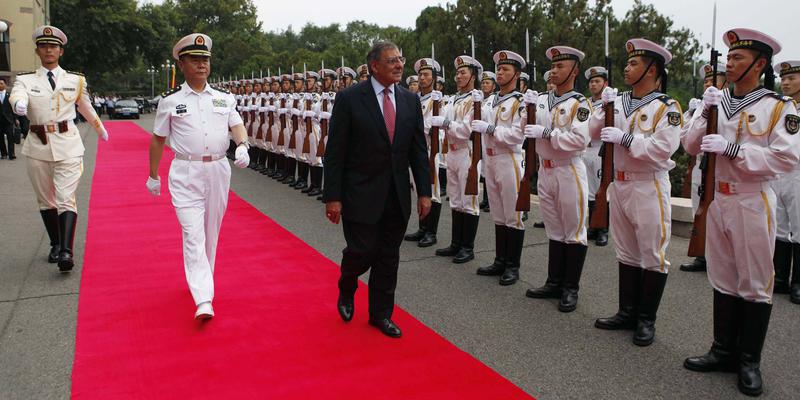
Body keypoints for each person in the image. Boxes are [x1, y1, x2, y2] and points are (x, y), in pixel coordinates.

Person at [682, 29, 800, 396]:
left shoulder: (779, 107)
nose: (729, 64)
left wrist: (734, 150)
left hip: (751, 199)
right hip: (718, 199)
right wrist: (704, 111)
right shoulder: (718, 101)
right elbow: (689, 145)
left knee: (754, 282)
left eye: (737, 58)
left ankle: (749, 360)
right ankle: (722, 350)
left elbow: (786, 157)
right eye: (728, 58)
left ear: (759, 64)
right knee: (722, 276)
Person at [323, 41, 431, 338]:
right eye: (392, 60)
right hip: (360, 193)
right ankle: (348, 282)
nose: (399, 65)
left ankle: (380, 314)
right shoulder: (349, 99)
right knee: (363, 250)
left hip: (397, 194)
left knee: (388, 256)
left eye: (401, 59)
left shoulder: (410, 101)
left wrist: (424, 191)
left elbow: (418, 151)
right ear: (374, 66)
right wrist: (333, 197)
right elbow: (335, 153)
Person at [147, 33, 250, 320]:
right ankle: (204, 297)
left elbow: (237, 125)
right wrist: (153, 175)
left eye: (205, 59)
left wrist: (242, 145)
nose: (202, 64)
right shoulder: (170, 101)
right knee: (193, 233)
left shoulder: (224, 98)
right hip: (185, 171)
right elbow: (157, 139)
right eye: (195, 59)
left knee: (210, 232)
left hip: (218, 169)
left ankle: (202, 278)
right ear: (182, 64)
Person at [589, 38, 681, 347]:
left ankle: (646, 319)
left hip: (648, 183)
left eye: (633, 64)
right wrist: (604, 108)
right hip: (621, 183)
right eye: (626, 63)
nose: (627, 69)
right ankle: (627, 312)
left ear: (652, 69)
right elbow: (592, 133)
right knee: (626, 251)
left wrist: (627, 139)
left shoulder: (666, 107)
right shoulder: (618, 102)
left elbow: (663, 148)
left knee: (652, 253)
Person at [10, 25, 108, 272]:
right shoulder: (25, 79)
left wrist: (99, 128)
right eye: (44, 46)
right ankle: (55, 242)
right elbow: (17, 94)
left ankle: (66, 250)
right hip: (38, 145)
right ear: (37, 50)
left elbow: (85, 107)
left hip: (68, 144)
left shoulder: (75, 80)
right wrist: (18, 103)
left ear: (61, 51)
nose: (49, 50)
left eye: (53, 46)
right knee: (46, 200)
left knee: (66, 198)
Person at [524, 46, 592, 312]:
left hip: (568, 168)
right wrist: (525, 109)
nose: (553, 70)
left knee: (573, 231)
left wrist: (548, 133)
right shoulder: (541, 99)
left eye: (560, 66)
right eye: (552, 66)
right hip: (546, 169)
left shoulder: (580, 104)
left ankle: (570, 288)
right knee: (554, 228)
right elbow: (524, 130)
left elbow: (578, 140)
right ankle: (554, 282)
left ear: (574, 71)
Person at [471, 50, 527, 286]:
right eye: (499, 69)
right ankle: (500, 260)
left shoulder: (520, 102)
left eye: (505, 69)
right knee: (498, 212)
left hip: (509, 159)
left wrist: (490, 129)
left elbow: (516, 135)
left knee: (512, 214)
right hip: (491, 159)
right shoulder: (491, 100)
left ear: (516, 73)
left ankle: (512, 266)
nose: (500, 73)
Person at [432, 55, 483, 264]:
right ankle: (456, 243)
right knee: (455, 199)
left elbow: (465, 130)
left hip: (466, 151)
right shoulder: (454, 99)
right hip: (451, 152)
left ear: (473, 76)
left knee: (468, 201)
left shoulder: (476, 99)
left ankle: (467, 247)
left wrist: (445, 123)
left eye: (463, 72)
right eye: (458, 72)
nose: (458, 76)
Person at [680, 62, 728, 273]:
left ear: (726, 80)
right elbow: (686, 138)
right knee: (698, 208)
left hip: (722, 164)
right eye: (706, 80)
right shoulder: (702, 104)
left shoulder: (732, 103)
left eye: (713, 79)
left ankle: (720, 258)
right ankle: (702, 255)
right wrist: (691, 113)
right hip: (701, 162)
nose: (708, 83)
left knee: (719, 213)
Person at [770, 59, 800, 304]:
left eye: (792, 78)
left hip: (799, 173)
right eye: (784, 78)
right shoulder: (779, 108)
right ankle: (779, 277)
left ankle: (798, 281)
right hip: (779, 173)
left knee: (799, 227)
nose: (786, 82)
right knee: (779, 224)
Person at [404, 58, 442, 248]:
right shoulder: (415, 99)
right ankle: (422, 227)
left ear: (434, 78)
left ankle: (431, 232)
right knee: (420, 189)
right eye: (420, 74)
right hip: (415, 149)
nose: (422, 77)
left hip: (429, 148)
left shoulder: (439, 99)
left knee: (432, 191)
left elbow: (430, 125)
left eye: (426, 74)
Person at [583, 66, 609, 246]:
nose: (593, 84)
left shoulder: (611, 102)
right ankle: (592, 226)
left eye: (597, 81)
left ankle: (603, 229)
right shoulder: (585, 103)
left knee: (602, 190)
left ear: (605, 84)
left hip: (601, 148)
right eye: (591, 82)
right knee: (590, 191)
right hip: (586, 148)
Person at [0, 77, 17, 160]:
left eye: (1, 83)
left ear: (5, 85)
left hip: (9, 120)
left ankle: (12, 154)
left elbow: (14, 108)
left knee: (10, 137)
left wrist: (16, 119)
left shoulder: (10, 96)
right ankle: (3, 153)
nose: (0, 85)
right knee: (1, 139)